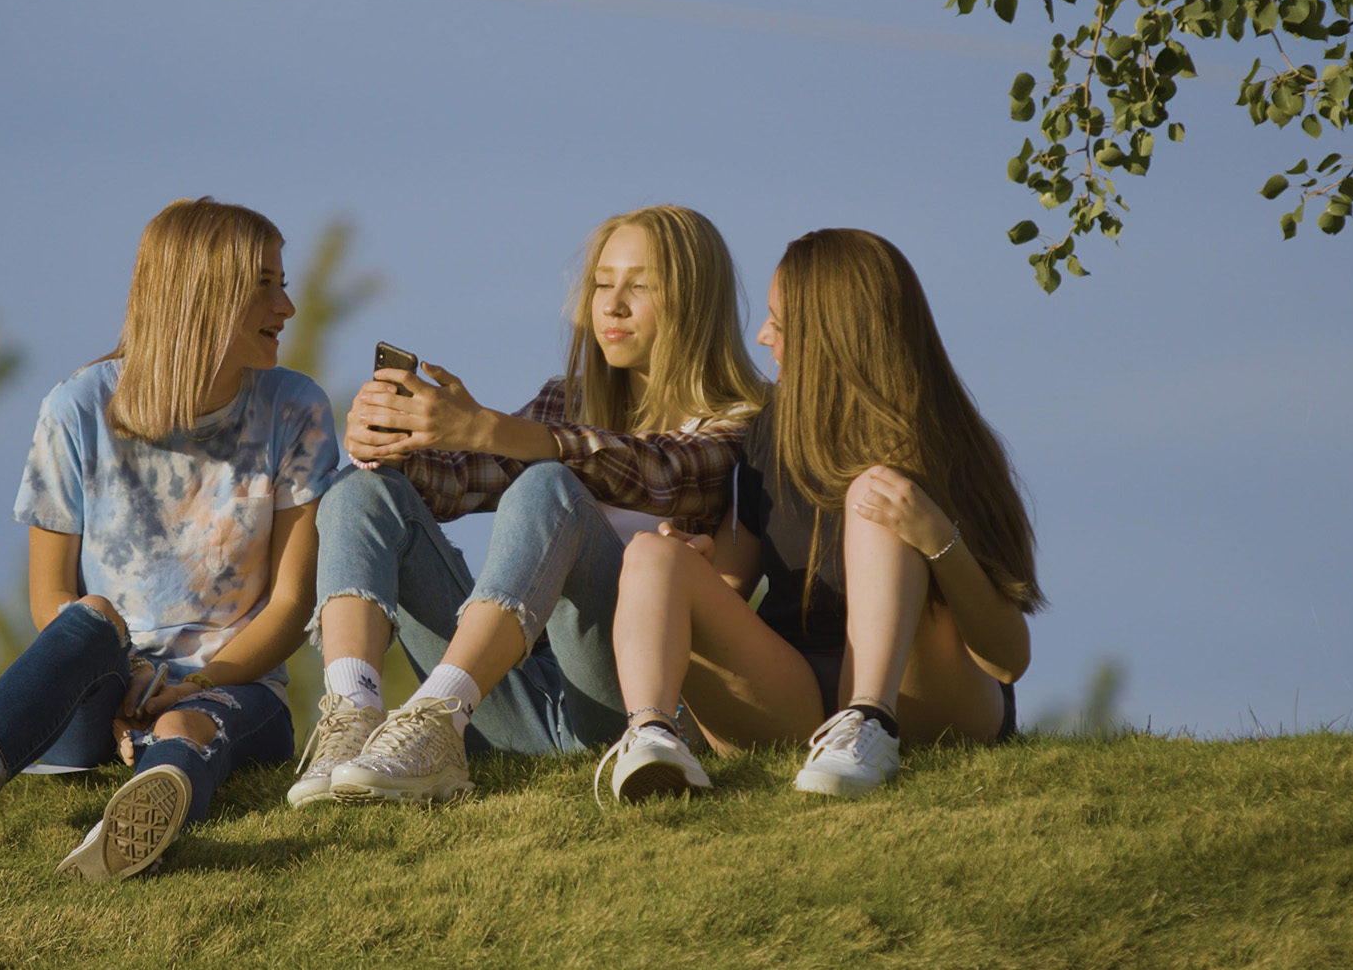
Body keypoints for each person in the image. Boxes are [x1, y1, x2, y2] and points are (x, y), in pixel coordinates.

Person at [0, 198, 339, 878]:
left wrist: (190, 686)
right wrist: (132, 678)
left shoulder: (297, 408)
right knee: (90, 614)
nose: (287, 307)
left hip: (234, 686)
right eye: (264, 285)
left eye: (283, 284)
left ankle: (130, 834)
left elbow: (289, 605)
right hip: (102, 684)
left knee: (185, 726)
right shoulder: (76, 408)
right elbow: (50, 595)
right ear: (199, 292)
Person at [287, 205, 770, 806]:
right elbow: (456, 483)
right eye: (602, 284)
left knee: (548, 486)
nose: (613, 305)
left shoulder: (745, 426)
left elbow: (663, 471)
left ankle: (437, 716)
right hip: (516, 701)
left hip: (630, 702)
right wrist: (396, 443)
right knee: (362, 489)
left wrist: (490, 429)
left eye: (640, 286)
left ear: (695, 300)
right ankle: (352, 719)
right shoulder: (565, 403)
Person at [596, 228, 1040, 804]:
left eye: (779, 322)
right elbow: (727, 587)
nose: (763, 336)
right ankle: (653, 736)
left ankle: (870, 721)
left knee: (874, 496)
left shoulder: (947, 444)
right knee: (652, 555)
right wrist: (692, 567)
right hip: (797, 695)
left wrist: (936, 537)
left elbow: (1008, 660)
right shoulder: (771, 432)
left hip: (928, 695)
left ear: (835, 332)